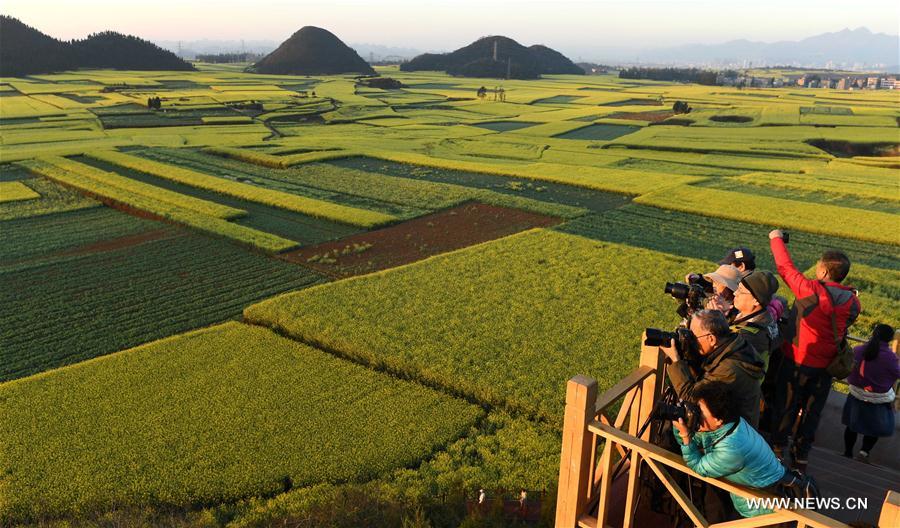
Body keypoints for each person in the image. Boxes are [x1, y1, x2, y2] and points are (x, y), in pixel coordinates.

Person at [768, 230, 861, 467]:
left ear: (824, 271)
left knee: (786, 405)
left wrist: (776, 238)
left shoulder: (809, 290)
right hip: (826, 367)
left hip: (797, 360)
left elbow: (785, 268)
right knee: (812, 411)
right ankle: (802, 454)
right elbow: (847, 321)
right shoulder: (852, 302)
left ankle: (778, 447)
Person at [673, 382, 786, 519]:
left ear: (718, 420)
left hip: (765, 509)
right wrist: (681, 421)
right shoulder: (728, 424)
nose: (696, 413)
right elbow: (693, 441)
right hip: (754, 492)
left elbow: (698, 466)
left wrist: (685, 435)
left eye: (700, 411)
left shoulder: (733, 448)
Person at [662, 309, 765, 427]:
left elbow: (692, 396)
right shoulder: (733, 344)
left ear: (711, 339)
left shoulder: (729, 369)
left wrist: (676, 361)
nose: (689, 340)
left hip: (734, 433)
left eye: (693, 336)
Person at [842, 324, 900, 462]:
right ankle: (864, 452)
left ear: (873, 333)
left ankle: (848, 453)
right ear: (890, 339)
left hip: (856, 393)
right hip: (878, 398)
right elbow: (897, 373)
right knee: (875, 428)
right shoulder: (890, 357)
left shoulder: (858, 350)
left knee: (852, 425)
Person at [731, 270, 780, 373]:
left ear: (756, 300)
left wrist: (715, 320)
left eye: (740, 290)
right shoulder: (753, 316)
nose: (735, 293)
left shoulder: (754, 335)